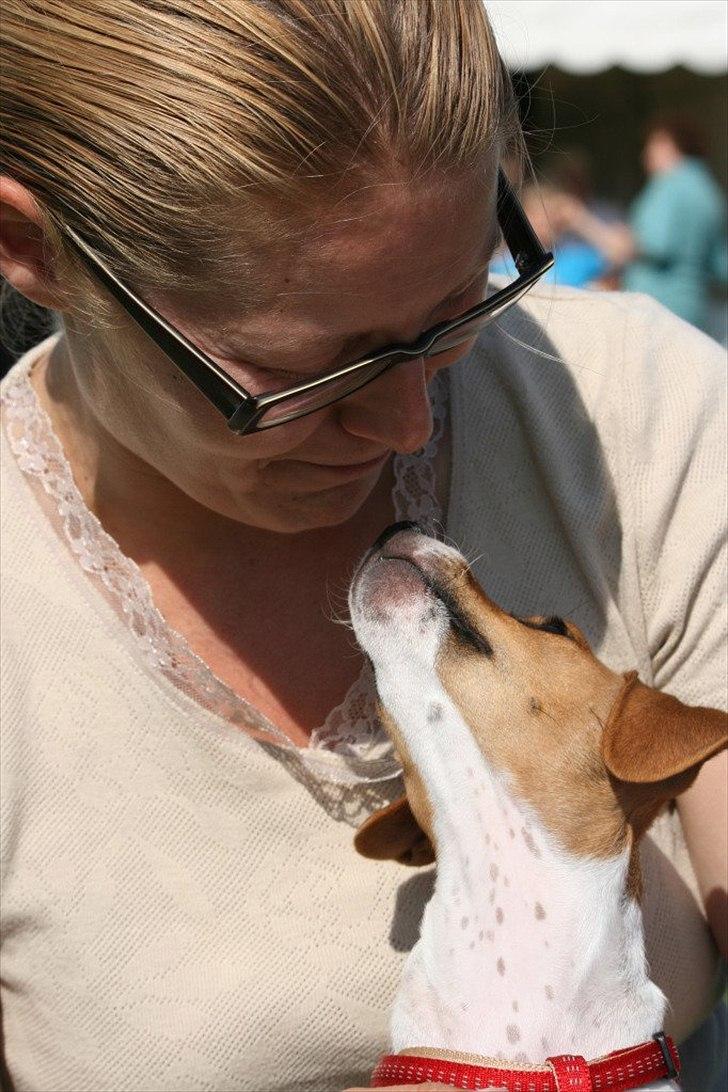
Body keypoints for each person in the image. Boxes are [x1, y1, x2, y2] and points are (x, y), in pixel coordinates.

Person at [0, 4, 725, 1091]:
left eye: (458, 302)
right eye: (306, 372)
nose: (407, 426)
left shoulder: (638, 416)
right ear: (30, 249)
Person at [557, 114, 728, 332]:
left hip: (661, 308)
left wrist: (579, 218)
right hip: (697, 310)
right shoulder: (708, 190)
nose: (645, 155)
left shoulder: (669, 185)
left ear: (666, 144)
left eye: (650, 146)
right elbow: (719, 265)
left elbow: (637, 247)